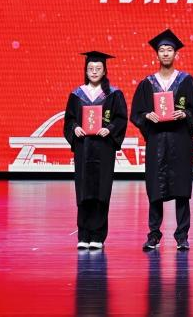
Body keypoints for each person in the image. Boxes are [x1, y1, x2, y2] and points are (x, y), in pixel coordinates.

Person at [130, 29, 193, 251]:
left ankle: (182, 236)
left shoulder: (186, 81)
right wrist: (147, 116)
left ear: (176, 53)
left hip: (179, 141)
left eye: (170, 50)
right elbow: (136, 113)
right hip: (157, 142)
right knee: (155, 189)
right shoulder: (147, 83)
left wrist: (185, 114)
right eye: (162, 50)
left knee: (181, 190)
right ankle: (153, 234)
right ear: (157, 54)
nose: (166, 53)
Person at [63, 51, 128, 249]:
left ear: (104, 71)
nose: (94, 72)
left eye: (98, 68)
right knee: (83, 192)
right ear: (85, 70)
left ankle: (98, 236)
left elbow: (120, 118)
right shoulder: (77, 94)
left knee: (101, 192)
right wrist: (75, 128)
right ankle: (83, 235)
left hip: (104, 148)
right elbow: (69, 119)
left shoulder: (113, 94)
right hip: (83, 148)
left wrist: (110, 129)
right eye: (90, 68)